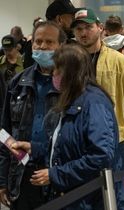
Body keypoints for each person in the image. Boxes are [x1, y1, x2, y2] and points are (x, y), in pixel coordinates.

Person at [11, 44, 124, 210]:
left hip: (89, 200)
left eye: (58, 69)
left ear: (71, 72)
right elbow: (68, 147)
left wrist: (55, 174)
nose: (54, 74)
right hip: (72, 198)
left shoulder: (94, 103)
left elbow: (101, 156)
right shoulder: (73, 100)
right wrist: (34, 149)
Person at [0, 21, 66, 210]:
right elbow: (4, 134)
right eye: (38, 42)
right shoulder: (18, 82)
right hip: (22, 175)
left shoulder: (72, 84)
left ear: (61, 46)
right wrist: (2, 181)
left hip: (56, 176)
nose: (42, 47)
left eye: (49, 42)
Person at [71, 8, 124, 168]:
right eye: (79, 29)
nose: (84, 33)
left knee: (116, 189)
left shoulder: (120, 62)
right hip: (78, 141)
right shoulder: (69, 63)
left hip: (114, 140)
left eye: (88, 27)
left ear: (100, 28)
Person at [0, 35, 24, 115]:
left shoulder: (25, 63)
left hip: (19, 104)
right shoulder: (0, 62)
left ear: (17, 47)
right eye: (5, 50)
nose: (7, 53)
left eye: (10, 50)